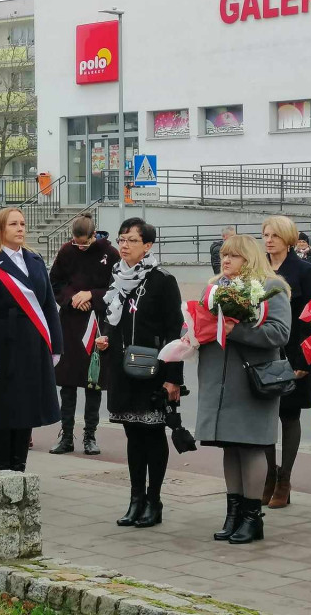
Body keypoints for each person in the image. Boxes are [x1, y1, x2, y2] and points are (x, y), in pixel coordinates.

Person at [198, 234, 291, 544]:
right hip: (220, 380)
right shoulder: (214, 288)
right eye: (224, 255)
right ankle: (233, 512)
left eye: (234, 256)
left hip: (252, 381)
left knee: (250, 446)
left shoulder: (270, 287)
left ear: (249, 258)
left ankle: (253, 517)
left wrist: (237, 330)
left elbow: (280, 333)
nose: (226, 261)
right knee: (230, 446)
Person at [96, 217, 183, 529]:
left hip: (153, 370)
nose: (124, 245)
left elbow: (176, 331)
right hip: (123, 368)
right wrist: (106, 335)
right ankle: (135, 499)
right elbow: (111, 315)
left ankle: (154, 500)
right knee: (132, 435)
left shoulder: (162, 280)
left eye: (132, 240)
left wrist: (174, 377)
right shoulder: (117, 276)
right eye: (121, 239)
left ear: (148, 245)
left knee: (152, 434)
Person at [0, 207, 62, 473]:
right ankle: (2, 469)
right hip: (1, 347)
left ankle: (19, 468)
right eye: (13, 224)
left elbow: (47, 306)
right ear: (1, 229)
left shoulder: (34, 260)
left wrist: (56, 345)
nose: (20, 228)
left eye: (22, 224)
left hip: (31, 347)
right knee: (1, 412)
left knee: (25, 409)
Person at [48, 211, 120, 456]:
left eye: (85, 242)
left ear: (94, 235)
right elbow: (55, 282)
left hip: (97, 323)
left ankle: (90, 435)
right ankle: (66, 435)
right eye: (76, 242)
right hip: (70, 322)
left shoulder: (109, 253)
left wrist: (92, 295)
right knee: (67, 383)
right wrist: (71, 299)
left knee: (94, 382)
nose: (80, 247)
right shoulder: (67, 252)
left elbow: (116, 286)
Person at [261, 216, 311, 509]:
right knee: (266, 414)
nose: (269, 240)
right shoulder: (257, 270)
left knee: (289, 415)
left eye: (275, 236)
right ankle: (269, 475)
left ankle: (285, 479)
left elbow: (310, 318)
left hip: (295, 351)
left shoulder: (304, 270)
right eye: (266, 235)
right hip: (264, 352)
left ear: (289, 239)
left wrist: (303, 359)